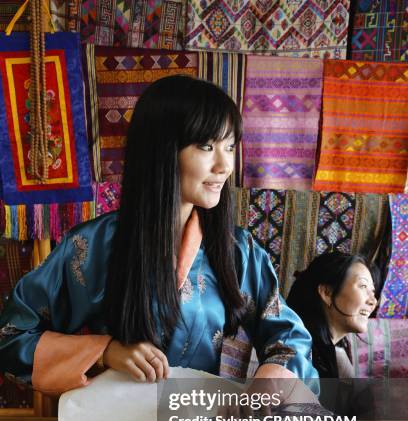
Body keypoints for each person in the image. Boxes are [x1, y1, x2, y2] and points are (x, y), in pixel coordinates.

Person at [0, 75, 318, 396]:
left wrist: (273, 376)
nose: (224, 165)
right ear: (162, 151)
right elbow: (10, 336)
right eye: (206, 146)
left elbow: (290, 338)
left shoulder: (238, 251)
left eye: (230, 146)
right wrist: (104, 351)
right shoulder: (91, 246)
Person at [286, 252, 378, 379]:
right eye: (363, 286)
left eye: (372, 291)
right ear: (327, 293)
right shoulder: (295, 354)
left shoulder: (337, 354)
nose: (373, 301)